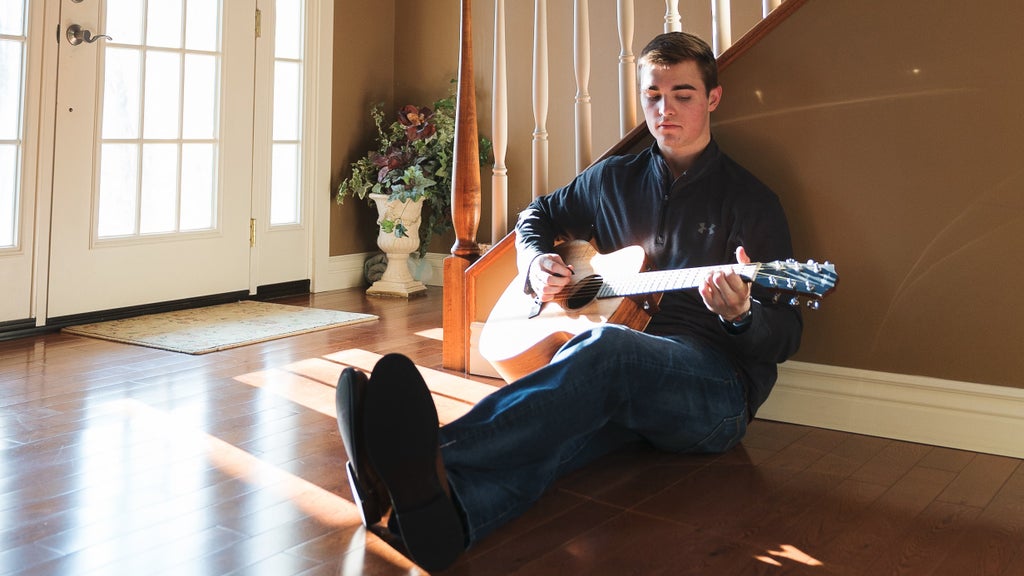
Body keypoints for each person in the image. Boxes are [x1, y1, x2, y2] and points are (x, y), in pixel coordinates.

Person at [335, 31, 803, 572]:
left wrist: (742, 317)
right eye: (653, 95)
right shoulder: (613, 179)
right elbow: (536, 215)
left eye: (683, 94)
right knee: (559, 433)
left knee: (608, 347)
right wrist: (534, 263)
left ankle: (422, 457)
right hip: (622, 375)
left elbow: (788, 333)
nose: (665, 109)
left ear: (712, 98)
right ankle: (446, 521)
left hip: (716, 393)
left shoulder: (751, 202)